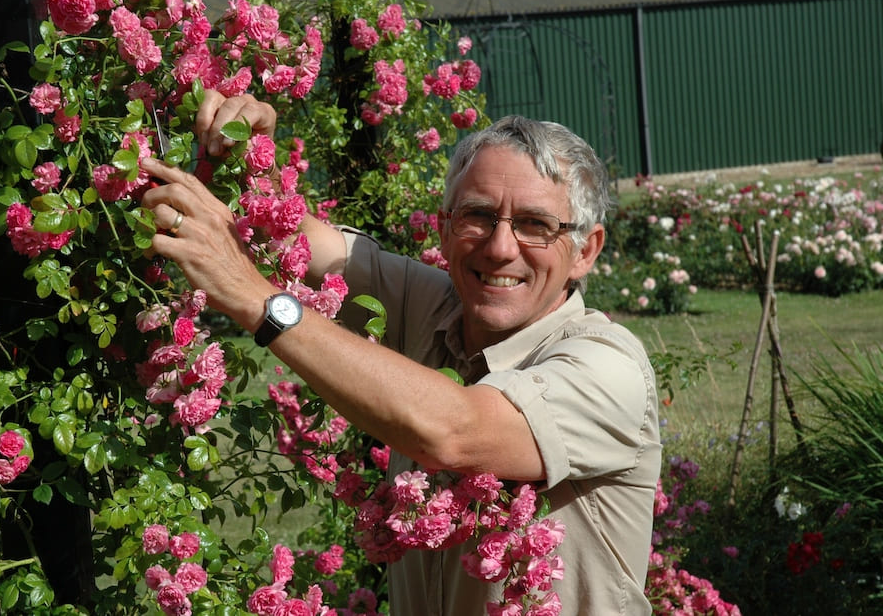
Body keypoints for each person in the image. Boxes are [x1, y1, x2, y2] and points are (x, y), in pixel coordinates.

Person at [140, 91, 661, 616]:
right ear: (444, 227)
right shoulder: (430, 305)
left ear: (586, 251)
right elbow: (294, 241)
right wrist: (244, 153)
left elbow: (455, 432)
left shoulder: (608, 367)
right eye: (478, 215)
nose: (501, 247)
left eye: (535, 225)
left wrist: (257, 300)